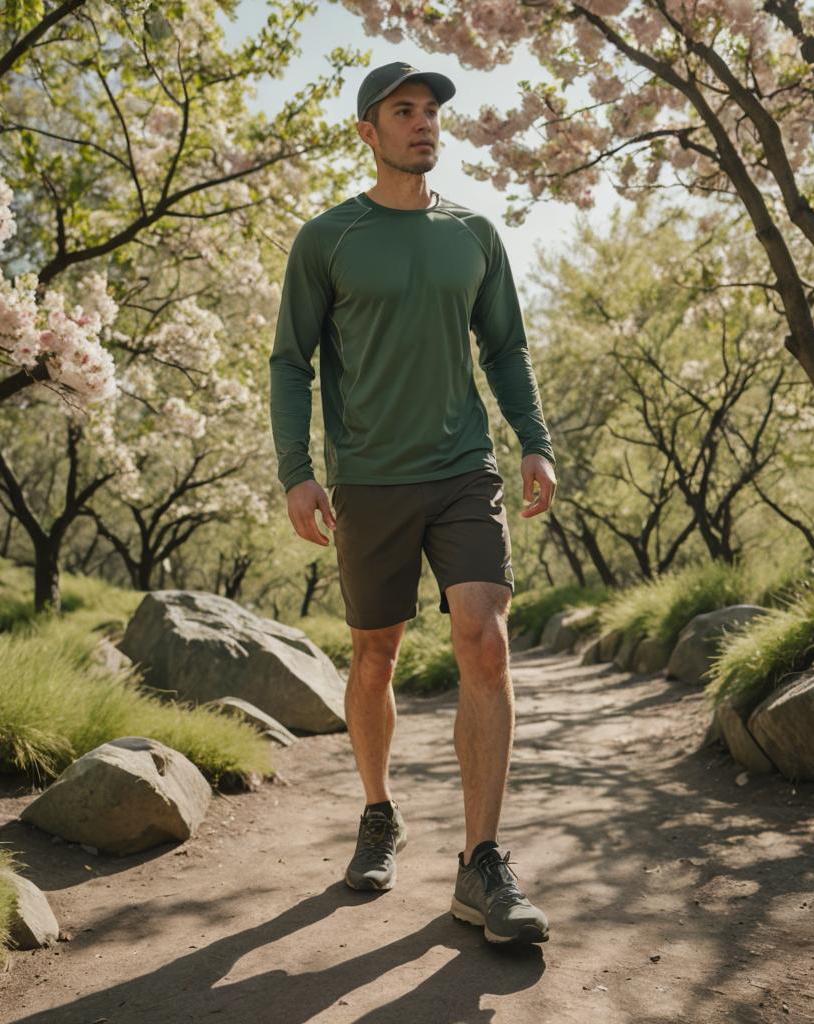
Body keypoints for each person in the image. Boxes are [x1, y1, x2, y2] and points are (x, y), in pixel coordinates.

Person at [268, 60, 557, 946]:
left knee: (483, 637)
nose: (424, 123)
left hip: (464, 469)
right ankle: (379, 812)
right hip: (368, 480)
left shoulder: (474, 231)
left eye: (431, 111)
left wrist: (534, 437)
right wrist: (297, 469)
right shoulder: (329, 238)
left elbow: (504, 347)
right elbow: (291, 361)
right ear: (368, 130)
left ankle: (482, 864)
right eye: (404, 111)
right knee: (375, 654)